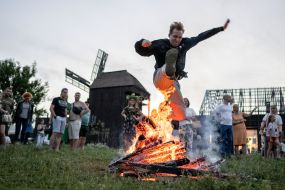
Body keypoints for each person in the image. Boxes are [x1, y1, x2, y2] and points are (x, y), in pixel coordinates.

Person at [135, 20, 230, 133]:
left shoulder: (186, 43)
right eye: (174, 36)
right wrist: (142, 43)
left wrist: (221, 29)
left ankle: (161, 117)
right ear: (169, 35)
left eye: (180, 37)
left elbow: (201, 36)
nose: (177, 39)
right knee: (167, 69)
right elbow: (142, 51)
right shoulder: (160, 44)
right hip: (160, 78)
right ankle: (168, 67)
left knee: (181, 115)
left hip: (173, 83)